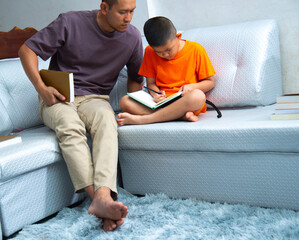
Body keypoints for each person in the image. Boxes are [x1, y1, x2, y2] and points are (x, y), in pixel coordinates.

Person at [18, 0, 143, 232]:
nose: (128, 18)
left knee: (107, 123)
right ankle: (100, 199)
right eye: (123, 12)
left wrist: (137, 105)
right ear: (104, 7)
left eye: (132, 11)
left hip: (96, 99)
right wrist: (41, 88)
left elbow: (136, 77)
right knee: (69, 124)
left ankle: (102, 197)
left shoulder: (133, 37)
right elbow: (27, 50)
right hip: (59, 96)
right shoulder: (70, 21)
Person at [117, 16, 216, 126]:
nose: (165, 55)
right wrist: (155, 94)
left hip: (185, 101)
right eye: (158, 52)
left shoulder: (196, 49)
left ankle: (146, 119)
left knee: (198, 96)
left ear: (178, 37)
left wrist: (193, 87)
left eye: (168, 49)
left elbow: (210, 82)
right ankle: (179, 116)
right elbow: (151, 84)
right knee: (125, 101)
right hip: (161, 103)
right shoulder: (149, 52)